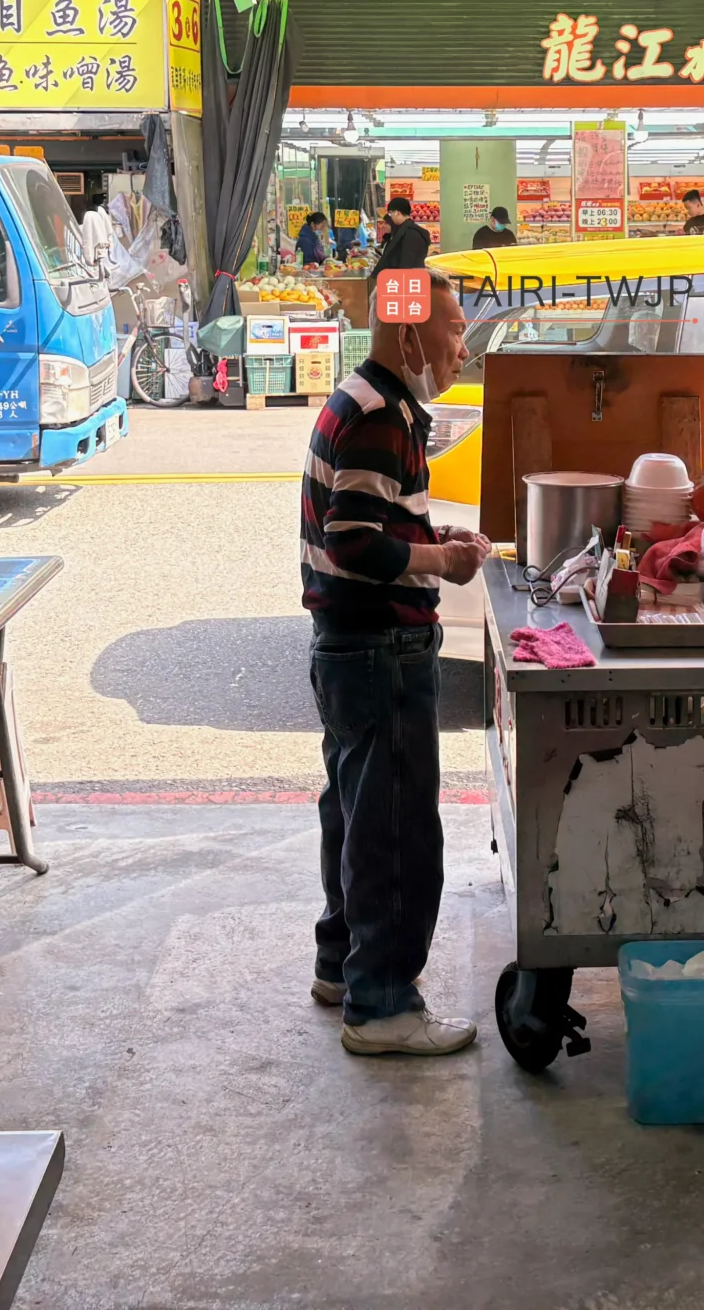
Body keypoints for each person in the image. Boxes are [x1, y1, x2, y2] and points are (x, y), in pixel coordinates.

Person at [299, 274, 490, 1055]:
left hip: (350, 647)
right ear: (407, 336)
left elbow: (378, 516)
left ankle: (342, 965)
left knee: (355, 812)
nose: (461, 346)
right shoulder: (380, 416)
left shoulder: (372, 400)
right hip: (379, 647)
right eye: (450, 329)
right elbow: (353, 543)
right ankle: (382, 1007)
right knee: (399, 830)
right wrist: (441, 562)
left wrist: (438, 537)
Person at [368, 193, 432, 273]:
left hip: (407, 281)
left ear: (397, 213)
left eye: (390, 213)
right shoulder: (404, 231)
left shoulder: (411, 234)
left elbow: (407, 265)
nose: (390, 216)